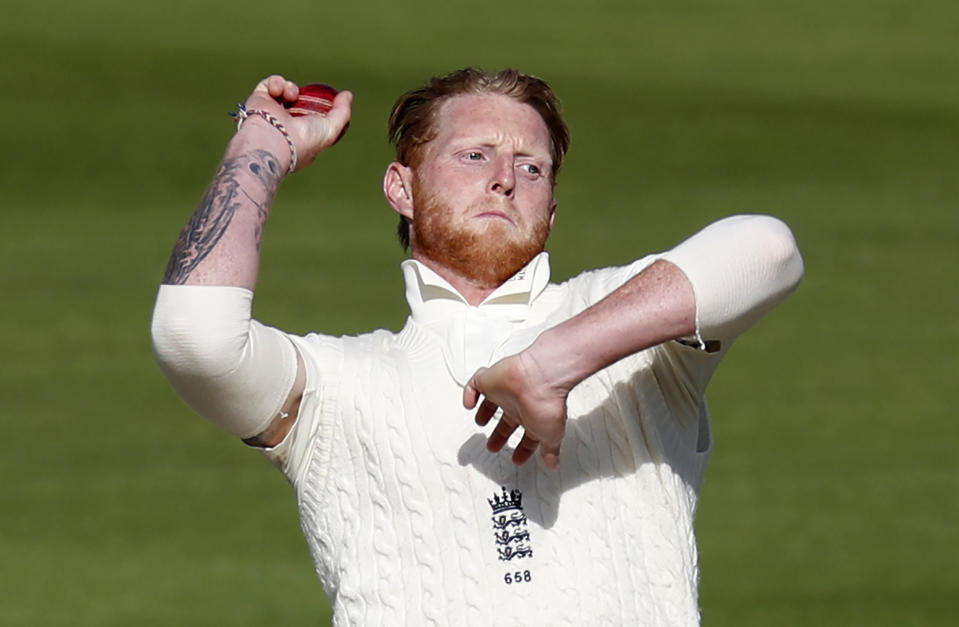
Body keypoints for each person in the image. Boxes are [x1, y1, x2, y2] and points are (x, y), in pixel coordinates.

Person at [151, 69, 803, 626]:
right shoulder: (337, 382)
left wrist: (554, 363)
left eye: (531, 166)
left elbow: (767, 249)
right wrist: (260, 148)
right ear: (400, 189)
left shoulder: (625, 327)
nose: (504, 179)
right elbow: (193, 337)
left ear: (550, 211)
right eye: (473, 155)